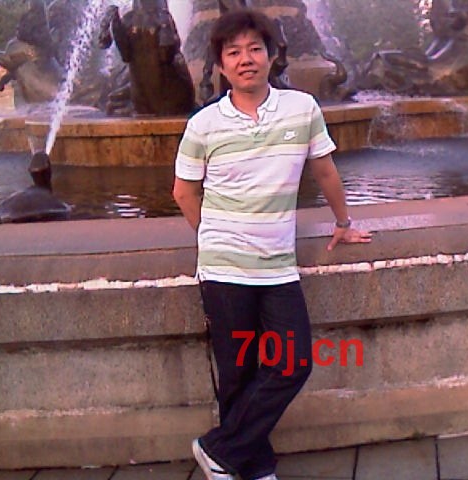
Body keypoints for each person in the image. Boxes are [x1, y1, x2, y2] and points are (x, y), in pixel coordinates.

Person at [172, 8, 372, 480]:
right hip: (224, 268)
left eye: (254, 49)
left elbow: (325, 171)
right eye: (234, 52)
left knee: (293, 363)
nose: (246, 59)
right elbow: (184, 192)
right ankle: (253, 464)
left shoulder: (301, 109)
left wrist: (343, 222)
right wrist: (216, 235)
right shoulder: (204, 123)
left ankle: (218, 449)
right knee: (237, 371)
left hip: (278, 266)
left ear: (271, 55)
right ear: (221, 65)